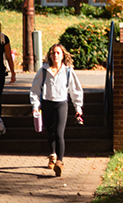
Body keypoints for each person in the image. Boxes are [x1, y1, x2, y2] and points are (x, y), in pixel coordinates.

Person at [30, 43, 85, 177]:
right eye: (53, 53)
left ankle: (60, 162)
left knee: (59, 133)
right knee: (50, 132)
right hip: (47, 103)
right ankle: (52, 155)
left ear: (63, 55)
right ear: (50, 55)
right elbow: (35, 89)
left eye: (58, 53)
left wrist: (78, 107)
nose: (55, 55)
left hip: (61, 104)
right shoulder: (43, 70)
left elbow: (75, 90)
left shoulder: (68, 71)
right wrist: (36, 106)